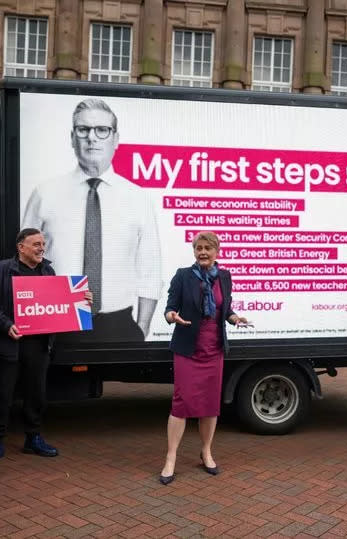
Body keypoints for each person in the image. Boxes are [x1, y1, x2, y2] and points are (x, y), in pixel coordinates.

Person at [22, 98, 162, 341]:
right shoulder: (45, 193)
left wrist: (142, 326)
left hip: (117, 322)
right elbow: (24, 259)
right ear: (72, 137)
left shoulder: (138, 198)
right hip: (56, 317)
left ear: (115, 139)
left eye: (102, 130)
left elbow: (149, 267)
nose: (92, 137)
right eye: (83, 129)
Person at [0, 229, 91, 466]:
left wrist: (81, 299)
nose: (42, 248)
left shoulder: (47, 271)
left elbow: (58, 304)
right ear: (21, 247)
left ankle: (33, 437)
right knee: (2, 394)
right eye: (36, 244)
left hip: (38, 346)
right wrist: (5, 325)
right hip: (8, 344)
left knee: (36, 394)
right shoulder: (2, 270)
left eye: (43, 244)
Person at [159, 231, 248, 484]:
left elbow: (226, 309)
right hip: (188, 348)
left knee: (210, 403)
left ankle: (206, 451)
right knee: (182, 402)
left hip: (214, 349)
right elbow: (169, 308)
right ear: (194, 251)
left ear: (217, 250)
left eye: (208, 248)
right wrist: (171, 317)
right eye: (199, 248)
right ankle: (171, 457)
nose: (203, 252)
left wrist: (235, 318)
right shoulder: (183, 276)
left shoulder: (224, 277)